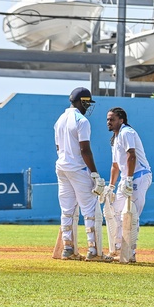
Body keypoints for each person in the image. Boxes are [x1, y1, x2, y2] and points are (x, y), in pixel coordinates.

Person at [54, 87, 105, 261]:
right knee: (90, 210)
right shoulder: (82, 121)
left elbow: (58, 148)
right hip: (78, 169)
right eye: (87, 103)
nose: (88, 106)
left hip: (62, 168)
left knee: (67, 210)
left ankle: (68, 249)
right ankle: (94, 251)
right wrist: (95, 173)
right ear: (81, 101)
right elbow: (85, 150)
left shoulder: (59, 120)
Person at [104, 107, 152, 263]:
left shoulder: (127, 133)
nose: (108, 122)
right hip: (126, 178)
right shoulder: (115, 138)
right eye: (107, 119)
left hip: (139, 176)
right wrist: (111, 186)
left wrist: (130, 179)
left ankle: (130, 252)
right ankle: (119, 249)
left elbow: (132, 155)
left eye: (112, 119)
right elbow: (115, 165)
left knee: (131, 214)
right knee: (116, 211)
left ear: (121, 120)